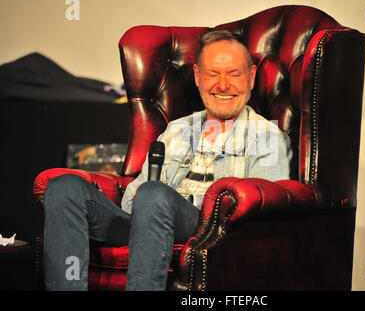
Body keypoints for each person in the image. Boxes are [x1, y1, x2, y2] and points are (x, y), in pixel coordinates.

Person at [43, 30, 292, 291]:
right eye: (212, 73)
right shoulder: (176, 129)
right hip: (146, 221)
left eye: (234, 74)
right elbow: (132, 199)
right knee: (64, 187)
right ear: (197, 76)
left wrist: (159, 198)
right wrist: (149, 198)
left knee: (154, 195)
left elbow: (262, 222)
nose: (222, 85)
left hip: (207, 230)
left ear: (251, 77)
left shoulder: (268, 138)